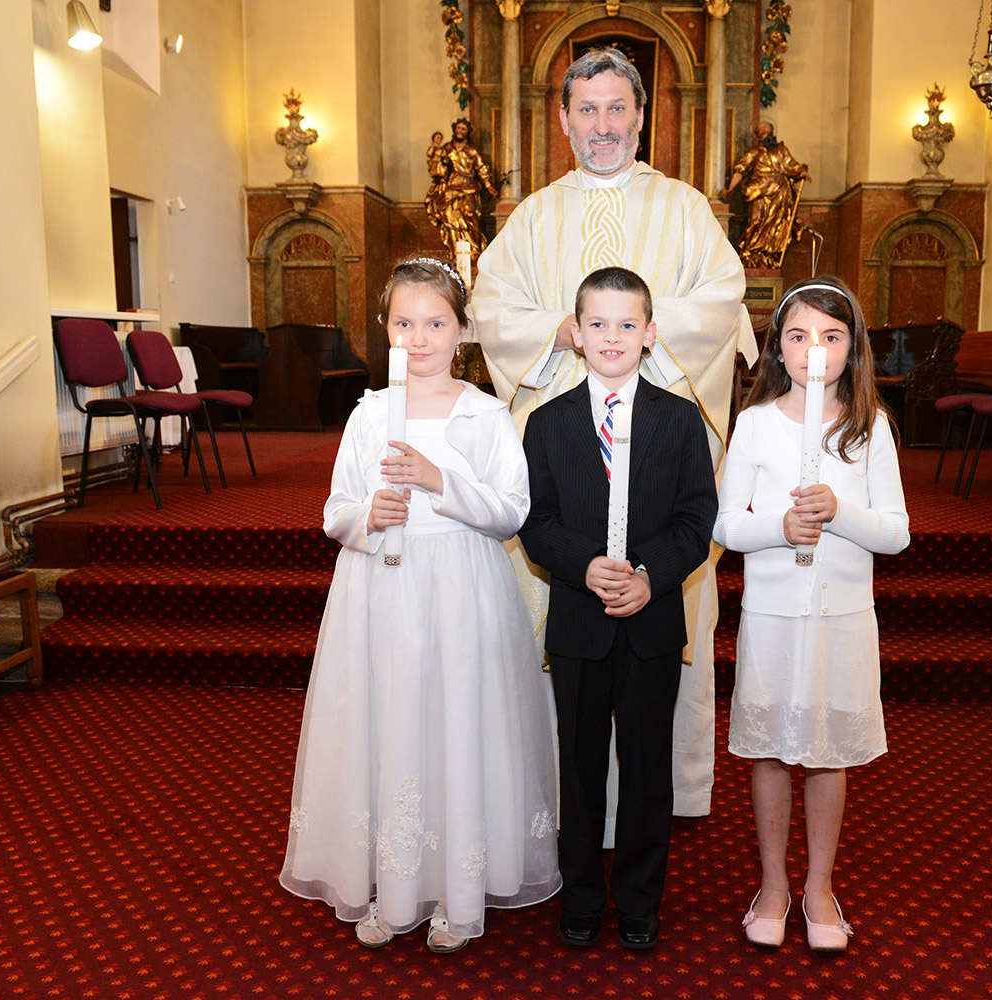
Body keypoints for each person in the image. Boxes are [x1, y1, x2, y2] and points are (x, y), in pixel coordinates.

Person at [471, 44, 752, 831]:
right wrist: (556, 331)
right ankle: (560, 797)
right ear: (563, 121)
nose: (603, 125)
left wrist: (634, 336)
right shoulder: (533, 216)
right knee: (561, 602)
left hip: (656, 449)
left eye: (617, 108)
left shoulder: (685, 209)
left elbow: (722, 295)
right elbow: (491, 305)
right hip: (563, 450)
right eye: (587, 109)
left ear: (640, 117)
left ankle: (659, 800)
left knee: (658, 609)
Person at [279, 258, 561, 954]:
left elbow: (511, 511)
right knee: (391, 722)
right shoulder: (369, 414)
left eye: (435, 323)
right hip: (381, 590)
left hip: (461, 590)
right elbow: (335, 511)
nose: (419, 338)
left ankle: (457, 895)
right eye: (404, 324)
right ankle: (393, 886)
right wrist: (368, 516)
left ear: (462, 331)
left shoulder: (485, 414)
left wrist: (439, 480)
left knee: (455, 723)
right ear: (385, 329)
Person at [520, 266, 718, 951]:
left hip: (651, 623)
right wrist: (582, 566)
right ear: (576, 334)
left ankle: (638, 896)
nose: (612, 336)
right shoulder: (547, 424)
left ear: (650, 333)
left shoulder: (680, 420)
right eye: (598, 324)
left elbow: (697, 519)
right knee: (577, 767)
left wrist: (650, 576)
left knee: (645, 766)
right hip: (578, 623)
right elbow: (536, 521)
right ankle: (580, 895)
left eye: (627, 324)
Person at [712, 276, 909, 952]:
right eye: (797, 336)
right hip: (773, 613)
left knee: (828, 755)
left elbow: (896, 533)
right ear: (777, 349)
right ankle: (773, 883)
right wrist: (780, 527)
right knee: (770, 751)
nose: (812, 350)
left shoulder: (869, 427)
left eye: (830, 336)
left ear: (852, 349)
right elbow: (726, 525)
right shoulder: (756, 423)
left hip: (842, 616)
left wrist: (839, 512)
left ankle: (819, 885)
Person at [720, 121, 810, 268]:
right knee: (755, 222)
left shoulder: (781, 150)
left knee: (776, 226)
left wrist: (801, 172)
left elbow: (791, 166)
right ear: (757, 135)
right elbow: (741, 169)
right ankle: (750, 254)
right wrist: (730, 187)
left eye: (765, 127)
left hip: (780, 192)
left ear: (772, 130)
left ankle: (769, 258)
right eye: (760, 129)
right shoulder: (754, 152)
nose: (763, 130)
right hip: (759, 191)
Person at [428, 118, 499, 257]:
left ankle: (475, 250)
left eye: (463, 129)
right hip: (452, 187)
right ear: (454, 130)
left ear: (467, 132)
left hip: (468, 186)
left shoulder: (471, 149)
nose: (460, 131)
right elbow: (439, 167)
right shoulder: (447, 148)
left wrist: (488, 185)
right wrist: (437, 159)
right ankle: (455, 251)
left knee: (470, 214)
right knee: (451, 218)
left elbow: (481, 167)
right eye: (458, 128)